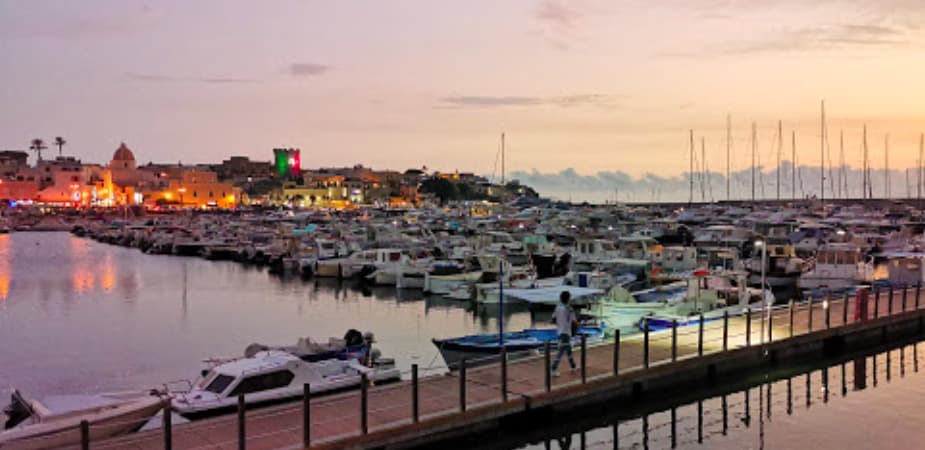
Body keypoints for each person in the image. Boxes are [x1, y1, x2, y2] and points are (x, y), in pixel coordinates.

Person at [550, 290, 579, 377]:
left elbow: (553, 320)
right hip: (566, 332)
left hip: (559, 332)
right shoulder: (569, 309)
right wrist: (579, 324)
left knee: (568, 350)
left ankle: (573, 366)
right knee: (561, 351)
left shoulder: (557, 307)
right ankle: (553, 368)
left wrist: (560, 322)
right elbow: (574, 321)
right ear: (568, 299)